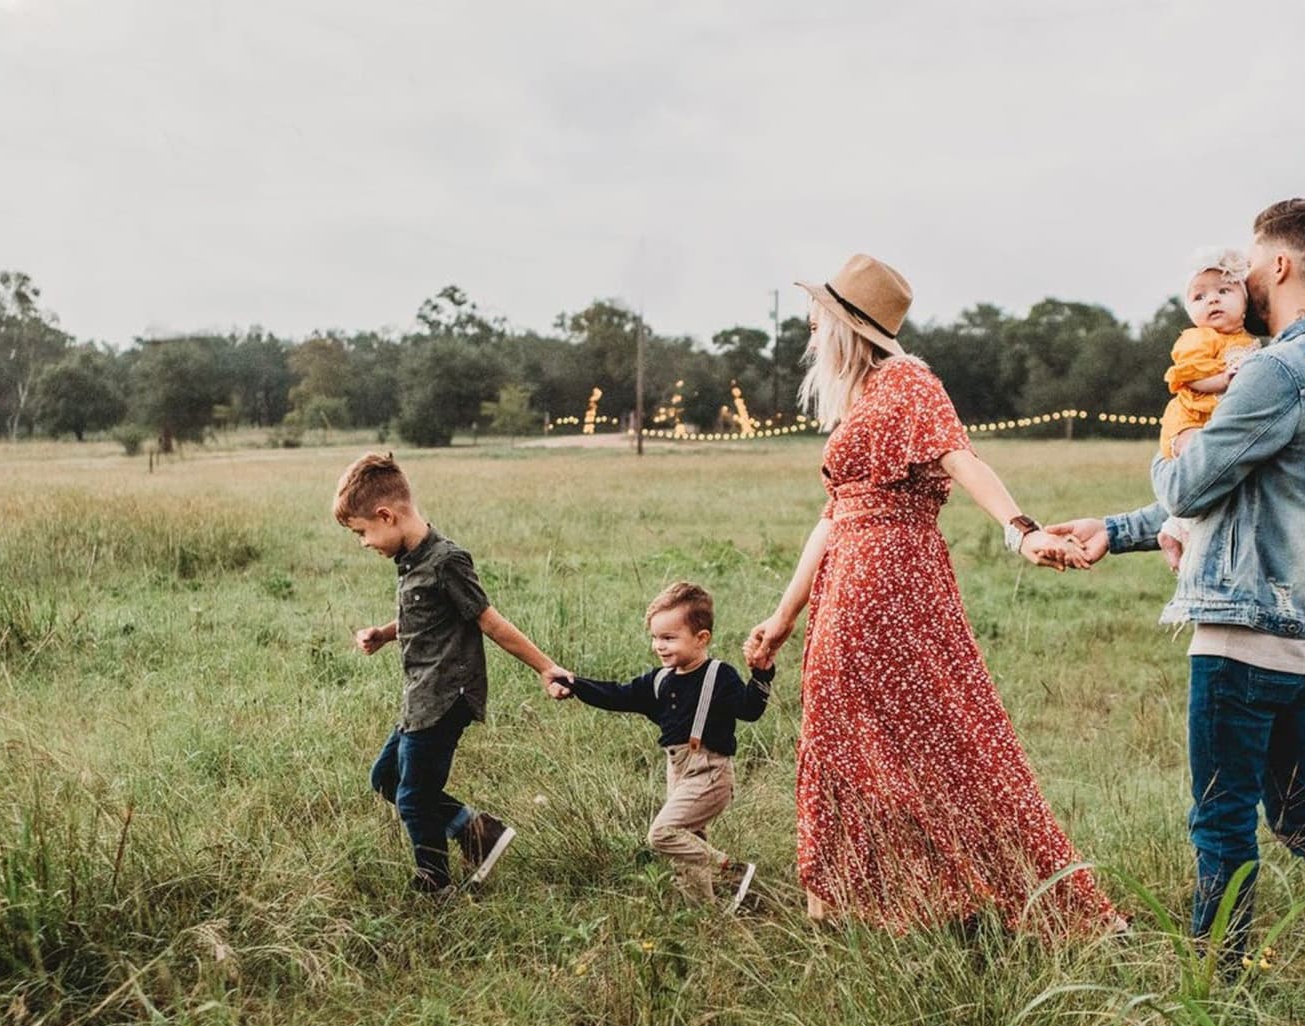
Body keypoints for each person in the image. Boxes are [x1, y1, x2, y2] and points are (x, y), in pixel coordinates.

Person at [1048, 199, 1305, 1002]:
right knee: (1301, 811)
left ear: (1283, 267)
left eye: (1252, 265)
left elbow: (1192, 481)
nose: (1242, 280)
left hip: (1243, 638)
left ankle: (1214, 996)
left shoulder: (1273, 370)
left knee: (1220, 822)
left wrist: (1177, 449)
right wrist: (1116, 529)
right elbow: (1240, 496)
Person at [743, 253, 1121, 933]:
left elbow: (961, 457)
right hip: (849, 581)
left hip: (890, 580)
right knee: (843, 740)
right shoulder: (860, 398)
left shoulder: (908, 382)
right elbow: (832, 518)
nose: (808, 327)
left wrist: (1021, 530)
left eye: (817, 316)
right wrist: (782, 617)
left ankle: (963, 894)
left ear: (846, 326)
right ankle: (853, 903)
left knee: (938, 737)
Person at [336, 452, 573, 895]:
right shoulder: (410, 560)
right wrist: (385, 634)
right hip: (420, 695)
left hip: (446, 697)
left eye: (362, 532)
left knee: (413, 797)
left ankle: (434, 883)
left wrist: (546, 668)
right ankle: (477, 833)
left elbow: (490, 621)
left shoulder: (446, 560)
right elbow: (427, 617)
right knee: (386, 778)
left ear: (386, 515)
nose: (363, 543)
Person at [557, 581, 769, 911]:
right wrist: (575, 685)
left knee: (663, 834)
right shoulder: (659, 680)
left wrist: (761, 675)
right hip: (678, 772)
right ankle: (705, 916)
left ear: (702, 639)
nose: (660, 646)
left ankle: (731, 871)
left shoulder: (719, 676)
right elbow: (617, 694)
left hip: (710, 773)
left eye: (669, 638)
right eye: (656, 637)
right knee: (687, 848)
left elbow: (750, 710)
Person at [1157, 248, 1260, 572]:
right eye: (1199, 297)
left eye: (1224, 291)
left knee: (1216, 477)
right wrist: (1223, 379)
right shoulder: (1199, 338)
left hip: (1214, 419)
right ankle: (1179, 533)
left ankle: (1175, 530)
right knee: (1201, 464)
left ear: (1245, 302)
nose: (1212, 300)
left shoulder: (1249, 341)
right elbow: (1189, 375)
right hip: (1190, 418)